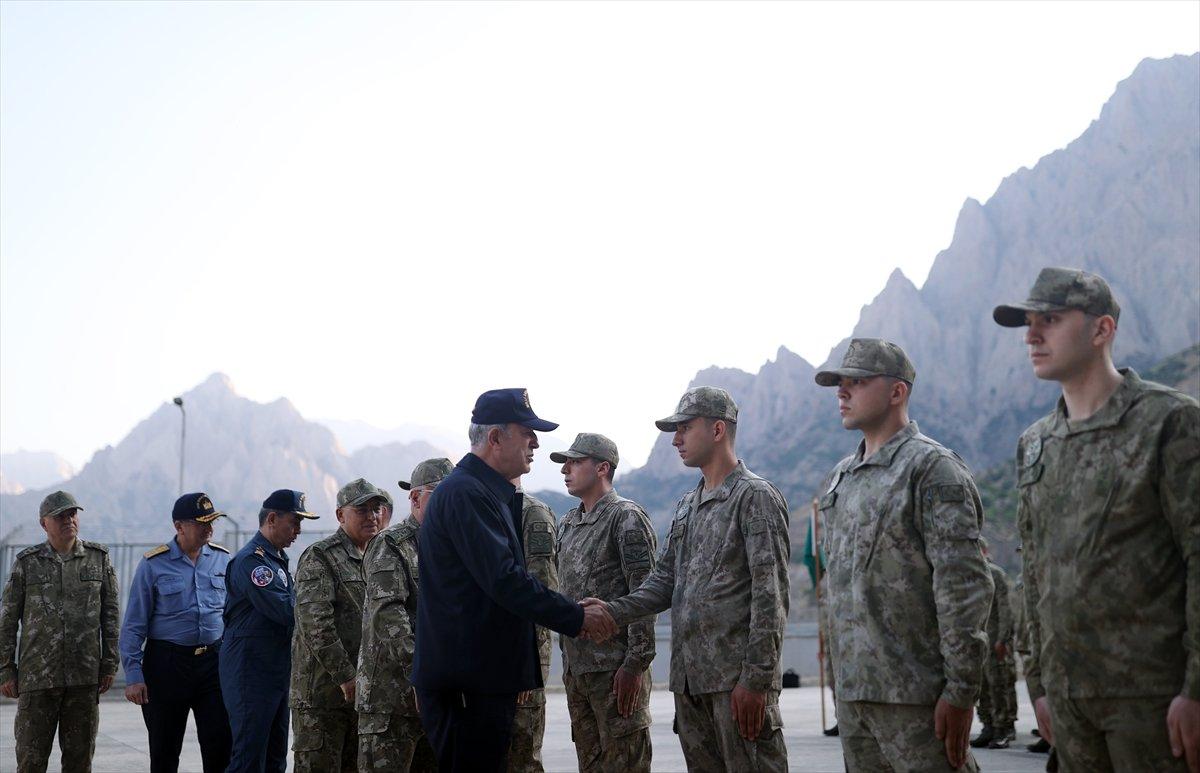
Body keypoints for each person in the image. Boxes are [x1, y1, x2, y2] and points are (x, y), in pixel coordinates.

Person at [994, 267, 1200, 771]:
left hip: (1152, 700)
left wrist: (1197, 688)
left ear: (1101, 329)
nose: (1031, 336)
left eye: (1050, 320)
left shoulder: (1169, 421)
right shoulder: (1036, 442)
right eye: (1027, 323)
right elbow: (1034, 568)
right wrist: (1039, 684)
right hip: (1068, 703)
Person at [584, 386, 790, 772]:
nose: (676, 440)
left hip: (735, 683)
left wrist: (757, 679)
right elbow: (663, 583)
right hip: (690, 684)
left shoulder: (754, 497)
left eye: (685, 428)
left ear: (717, 430)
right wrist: (612, 611)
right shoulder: (686, 507)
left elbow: (771, 595)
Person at [411, 388, 617, 772]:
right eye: (526, 433)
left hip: (480, 680)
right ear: (495, 438)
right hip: (467, 685)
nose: (535, 442)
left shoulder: (486, 493)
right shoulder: (467, 494)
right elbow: (505, 580)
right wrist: (576, 616)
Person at [815, 339, 993, 772]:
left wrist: (961, 691)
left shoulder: (931, 468)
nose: (842, 392)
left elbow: (963, 587)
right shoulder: (842, 476)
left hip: (917, 697)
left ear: (897, 391)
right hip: (855, 697)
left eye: (858, 382)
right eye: (840, 383)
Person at [552, 432, 656, 772]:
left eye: (575, 462)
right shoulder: (568, 523)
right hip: (578, 672)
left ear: (602, 468)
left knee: (625, 763)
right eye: (565, 463)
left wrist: (635, 664)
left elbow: (645, 594)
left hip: (615, 672)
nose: (565, 469)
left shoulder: (625, 517)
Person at [0, 491, 119, 773]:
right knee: (30, 762)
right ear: (44, 523)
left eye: (72, 514)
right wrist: (5, 669)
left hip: (83, 678)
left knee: (79, 763)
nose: (69, 520)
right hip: (38, 678)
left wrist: (109, 663)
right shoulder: (28, 563)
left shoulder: (98, 559)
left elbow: (111, 615)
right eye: (60, 516)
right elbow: (7, 619)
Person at [119, 492, 233, 772]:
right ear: (179, 526)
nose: (209, 528)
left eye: (212, 522)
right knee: (164, 750)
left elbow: (233, 617)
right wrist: (133, 675)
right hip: (167, 665)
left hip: (213, 664)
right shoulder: (153, 564)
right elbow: (134, 624)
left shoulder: (223, 560)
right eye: (201, 523)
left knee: (221, 747)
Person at [290, 478, 391, 772]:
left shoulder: (377, 557)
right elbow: (315, 625)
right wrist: (346, 677)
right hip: (324, 697)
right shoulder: (320, 556)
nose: (371, 517)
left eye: (376, 509)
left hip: (363, 696)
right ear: (340, 515)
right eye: (361, 510)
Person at [357, 459, 450, 772]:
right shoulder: (391, 544)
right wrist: (424, 675)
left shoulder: (452, 546)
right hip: (391, 700)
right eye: (440, 495)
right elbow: (389, 615)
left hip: (438, 697)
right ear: (415, 498)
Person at [220, 489, 317, 773]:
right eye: (294, 522)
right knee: (249, 758)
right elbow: (286, 610)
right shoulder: (253, 562)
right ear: (272, 519)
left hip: (274, 669)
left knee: (275, 757)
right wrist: (318, 602)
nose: (298, 530)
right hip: (251, 671)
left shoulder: (275, 559)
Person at [506, 485, 559, 773]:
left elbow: (541, 595)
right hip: (481, 666)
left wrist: (527, 665)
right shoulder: (480, 508)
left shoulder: (532, 513)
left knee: (522, 756)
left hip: (520, 665)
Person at [969, 540, 1017, 750]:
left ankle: (1003, 729)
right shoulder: (970, 575)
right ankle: (988, 726)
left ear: (984, 550)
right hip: (979, 641)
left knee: (999, 685)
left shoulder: (995, 574)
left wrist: (1003, 639)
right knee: (982, 688)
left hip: (995, 639)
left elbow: (1006, 609)